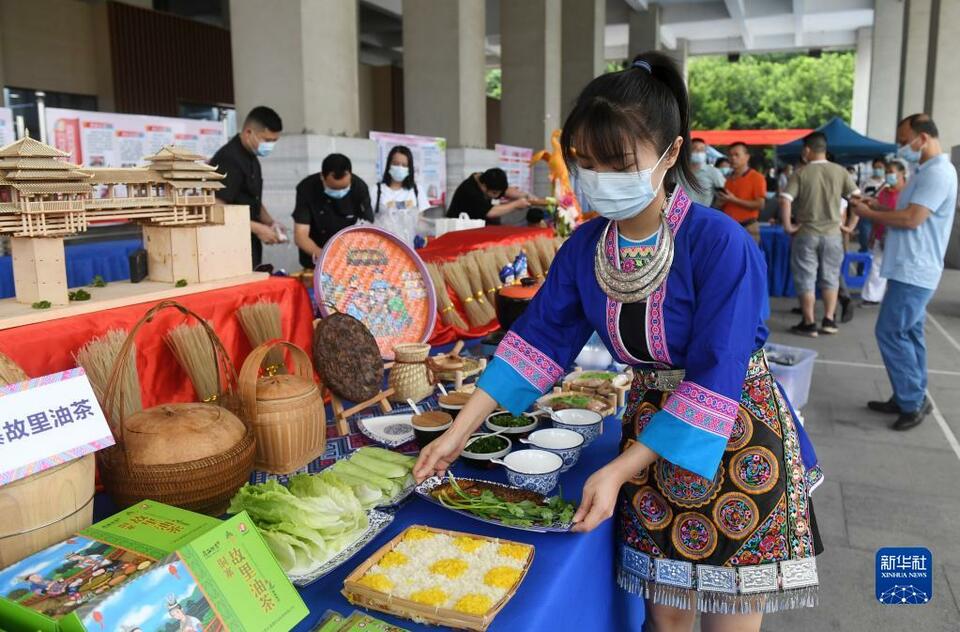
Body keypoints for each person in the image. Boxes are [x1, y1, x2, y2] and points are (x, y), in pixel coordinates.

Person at [414, 52, 822, 632]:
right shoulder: (585, 248)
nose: (598, 177)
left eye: (616, 161)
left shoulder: (719, 243)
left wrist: (619, 469)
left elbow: (717, 371)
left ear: (671, 153)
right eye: (585, 161)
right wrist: (458, 432)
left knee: (729, 622)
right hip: (648, 437)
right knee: (666, 621)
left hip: (736, 437)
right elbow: (537, 342)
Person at [852, 114, 957, 431]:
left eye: (903, 140)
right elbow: (906, 212)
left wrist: (869, 213)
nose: (901, 147)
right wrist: (878, 206)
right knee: (909, 333)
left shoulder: (938, 173)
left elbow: (913, 219)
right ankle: (908, 394)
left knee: (891, 332)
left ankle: (912, 400)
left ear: (922, 138)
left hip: (916, 269)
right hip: (909, 266)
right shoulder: (924, 171)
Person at [779, 132, 859, 337]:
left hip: (806, 233)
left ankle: (809, 322)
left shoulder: (801, 173)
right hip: (833, 234)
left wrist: (788, 225)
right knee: (831, 277)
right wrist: (850, 225)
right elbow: (857, 199)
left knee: (806, 277)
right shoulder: (840, 171)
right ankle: (829, 320)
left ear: (807, 150)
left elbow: (785, 199)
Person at [209, 106, 284, 268]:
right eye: (267, 140)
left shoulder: (252, 157)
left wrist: (271, 224)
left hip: (249, 244)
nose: (270, 146)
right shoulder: (228, 159)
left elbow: (254, 199)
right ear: (249, 132)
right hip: (229, 248)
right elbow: (217, 208)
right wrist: (258, 228)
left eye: (274, 141)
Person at [292, 153, 373, 269]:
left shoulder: (359, 187)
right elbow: (300, 235)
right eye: (334, 189)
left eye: (344, 188)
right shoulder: (307, 188)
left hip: (350, 259)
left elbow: (367, 228)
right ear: (322, 177)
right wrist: (325, 257)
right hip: (316, 258)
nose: (340, 193)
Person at [861, 160, 907, 305]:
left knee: (899, 269)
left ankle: (896, 298)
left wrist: (878, 207)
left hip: (899, 236)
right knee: (877, 266)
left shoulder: (906, 193)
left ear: (902, 173)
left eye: (891, 172)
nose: (888, 175)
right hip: (882, 234)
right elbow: (876, 214)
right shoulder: (884, 191)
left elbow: (900, 214)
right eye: (886, 172)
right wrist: (873, 234)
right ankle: (872, 297)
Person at [372, 145, 430, 246]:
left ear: (409, 168)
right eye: (396, 164)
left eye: (404, 165)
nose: (400, 168)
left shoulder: (417, 190)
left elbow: (421, 222)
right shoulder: (377, 190)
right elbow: (371, 219)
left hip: (410, 248)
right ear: (389, 164)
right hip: (383, 246)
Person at [715, 142, 767, 243]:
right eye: (730, 155)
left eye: (737, 155)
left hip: (748, 227)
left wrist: (734, 200)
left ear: (747, 157)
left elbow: (760, 204)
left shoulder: (757, 178)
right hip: (730, 227)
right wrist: (721, 202)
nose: (733, 158)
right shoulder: (728, 179)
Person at [446, 168, 530, 224]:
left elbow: (506, 190)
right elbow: (490, 212)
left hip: (477, 223)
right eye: (494, 193)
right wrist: (516, 205)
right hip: (459, 227)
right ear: (484, 186)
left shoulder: (486, 179)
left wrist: (526, 195)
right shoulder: (470, 191)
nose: (496, 196)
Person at [686, 137, 726, 208]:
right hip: (680, 215)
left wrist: (713, 209)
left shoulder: (714, 172)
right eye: (694, 149)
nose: (698, 152)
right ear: (688, 151)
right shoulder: (678, 171)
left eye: (701, 150)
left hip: (703, 214)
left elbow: (724, 194)